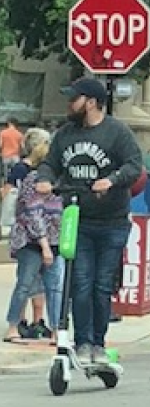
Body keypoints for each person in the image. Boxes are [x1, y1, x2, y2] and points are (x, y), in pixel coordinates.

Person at [35, 77, 143, 365]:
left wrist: (111, 180)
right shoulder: (65, 134)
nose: (69, 104)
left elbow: (134, 165)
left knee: (102, 285)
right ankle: (81, 342)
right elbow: (50, 164)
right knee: (80, 283)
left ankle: (98, 343)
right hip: (78, 219)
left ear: (91, 102)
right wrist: (44, 179)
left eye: (75, 99)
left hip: (112, 222)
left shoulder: (117, 132)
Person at [3, 129, 62, 344]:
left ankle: (56, 329)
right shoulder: (32, 179)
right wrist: (44, 244)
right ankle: (13, 327)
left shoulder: (59, 181)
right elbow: (32, 213)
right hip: (31, 241)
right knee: (25, 284)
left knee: (54, 288)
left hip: (54, 240)